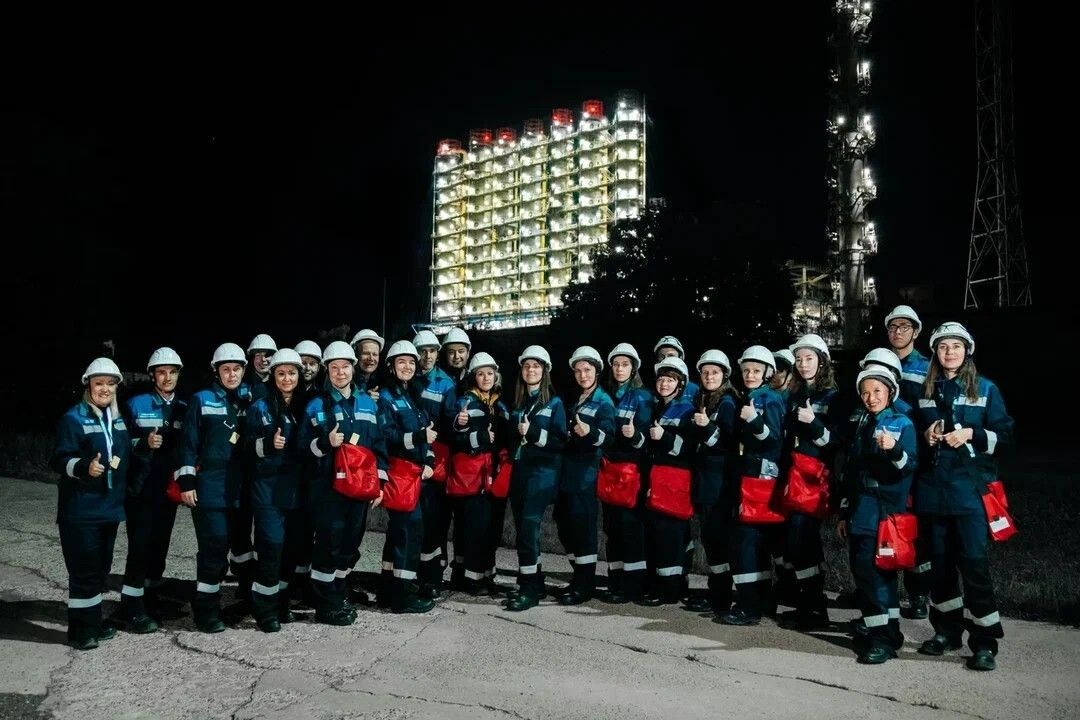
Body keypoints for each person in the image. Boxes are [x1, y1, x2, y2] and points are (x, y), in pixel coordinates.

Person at [916, 322, 1013, 671]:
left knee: (974, 565)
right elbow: (912, 434)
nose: (950, 352)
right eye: (943, 347)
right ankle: (946, 632)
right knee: (940, 567)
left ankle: (984, 642)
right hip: (933, 492)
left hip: (969, 493)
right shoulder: (926, 390)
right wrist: (925, 435)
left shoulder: (986, 388)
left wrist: (973, 433)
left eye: (956, 346)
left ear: (967, 351)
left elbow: (1006, 438)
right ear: (935, 352)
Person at [298, 341, 388, 625]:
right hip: (329, 489)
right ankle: (325, 605)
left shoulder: (368, 403)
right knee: (329, 544)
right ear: (327, 370)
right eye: (334, 367)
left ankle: (339, 593)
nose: (340, 373)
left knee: (351, 543)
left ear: (353, 368)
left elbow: (379, 444)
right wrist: (325, 442)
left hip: (360, 489)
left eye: (345, 367)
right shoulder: (316, 405)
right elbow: (301, 447)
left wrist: (379, 483)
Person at [836, 364, 916, 663]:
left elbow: (908, 466)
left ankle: (881, 640)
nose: (871, 398)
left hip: (882, 511)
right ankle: (888, 633)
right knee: (868, 573)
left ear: (891, 392)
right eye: (865, 392)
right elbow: (850, 472)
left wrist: (894, 449)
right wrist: (844, 512)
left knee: (874, 575)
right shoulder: (862, 424)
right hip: (860, 510)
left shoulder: (902, 424)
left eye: (877, 391)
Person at [51, 358, 131, 650]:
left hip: (109, 509)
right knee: (83, 571)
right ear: (88, 385)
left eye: (110, 384)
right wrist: (84, 467)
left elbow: (124, 454)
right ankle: (81, 632)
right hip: (80, 511)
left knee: (99, 570)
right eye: (99, 383)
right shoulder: (73, 418)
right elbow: (59, 459)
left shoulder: (117, 419)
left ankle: (93, 623)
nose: (105, 389)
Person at [176, 343, 252, 633]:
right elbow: (188, 443)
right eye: (226, 369)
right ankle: (206, 610)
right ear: (216, 371)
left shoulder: (248, 399)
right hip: (209, 487)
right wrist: (186, 482)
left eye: (236, 369)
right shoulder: (202, 400)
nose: (232, 374)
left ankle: (243, 597)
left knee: (241, 546)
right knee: (214, 547)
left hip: (239, 489)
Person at [113, 347, 187, 633]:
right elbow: (118, 443)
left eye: (172, 372)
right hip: (140, 489)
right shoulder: (135, 404)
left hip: (167, 490)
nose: (167, 377)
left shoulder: (184, 406)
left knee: (160, 546)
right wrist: (143, 443)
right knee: (140, 547)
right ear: (152, 375)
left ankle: (150, 597)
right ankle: (130, 607)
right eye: (161, 372)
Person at [719, 346, 786, 626]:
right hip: (749, 478)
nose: (750, 374)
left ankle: (749, 606)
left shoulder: (769, 399)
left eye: (756, 370)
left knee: (746, 543)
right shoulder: (751, 396)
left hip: (759, 481)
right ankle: (761, 600)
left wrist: (754, 420)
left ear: (768, 373)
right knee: (754, 543)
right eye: (746, 370)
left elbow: (773, 438)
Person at [778, 334, 838, 629]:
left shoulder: (833, 396)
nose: (803, 364)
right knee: (796, 542)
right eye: (799, 359)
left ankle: (815, 609)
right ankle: (807, 602)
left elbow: (834, 444)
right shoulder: (795, 393)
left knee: (803, 540)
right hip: (794, 476)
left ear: (822, 361)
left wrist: (814, 423)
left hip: (815, 479)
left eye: (809, 358)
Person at [245, 349, 307, 632]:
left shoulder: (307, 405)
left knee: (291, 549)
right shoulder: (259, 407)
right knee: (271, 546)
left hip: (296, 490)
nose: (287, 378)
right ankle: (264, 610)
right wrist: (268, 445)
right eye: (281, 373)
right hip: (267, 489)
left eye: (292, 373)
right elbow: (246, 447)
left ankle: (281, 603)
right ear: (273, 377)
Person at [377, 340, 437, 613]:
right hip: (399, 473)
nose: (408, 367)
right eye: (401, 362)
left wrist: (429, 459)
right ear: (391, 366)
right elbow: (387, 436)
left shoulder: (412, 395)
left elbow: (426, 432)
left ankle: (388, 588)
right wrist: (419, 437)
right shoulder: (386, 397)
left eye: (412, 362)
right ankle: (403, 596)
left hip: (413, 473)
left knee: (398, 531)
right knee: (408, 532)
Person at [504, 345, 566, 612]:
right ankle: (534, 580)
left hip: (542, 475)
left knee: (529, 530)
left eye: (536, 366)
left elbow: (560, 442)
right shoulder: (519, 402)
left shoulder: (554, 403)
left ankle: (529, 590)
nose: (531, 370)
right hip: (520, 473)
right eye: (527, 366)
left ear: (545, 371)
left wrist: (533, 434)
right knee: (522, 530)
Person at [884, 305, 932, 619]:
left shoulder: (926, 368)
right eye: (893, 327)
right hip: (882, 456)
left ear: (916, 331)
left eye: (905, 326)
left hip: (915, 458)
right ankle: (881, 591)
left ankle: (918, 594)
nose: (898, 332)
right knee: (884, 523)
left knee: (914, 526)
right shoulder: (879, 362)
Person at [556, 346, 615, 605]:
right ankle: (579, 575)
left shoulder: (603, 401)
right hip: (568, 473)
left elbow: (608, 437)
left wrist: (589, 432)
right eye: (578, 371)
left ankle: (585, 584)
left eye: (587, 370)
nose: (583, 375)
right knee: (565, 525)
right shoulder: (577, 398)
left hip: (586, 474)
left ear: (597, 371)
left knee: (583, 528)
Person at [447, 351, 508, 594]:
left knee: (484, 527)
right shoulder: (466, 402)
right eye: (480, 374)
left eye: (489, 373)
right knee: (473, 527)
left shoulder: (498, 403)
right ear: (473, 377)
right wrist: (478, 435)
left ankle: (479, 575)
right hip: (472, 477)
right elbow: (454, 438)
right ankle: (472, 580)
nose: (486, 378)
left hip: (489, 475)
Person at [684, 350, 739, 614]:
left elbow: (728, 443)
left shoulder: (727, 403)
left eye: (715, 372)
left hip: (719, 483)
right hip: (705, 480)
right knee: (710, 538)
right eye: (705, 372)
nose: (709, 377)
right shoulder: (704, 400)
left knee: (717, 539)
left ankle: (721, 596)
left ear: (724, 375)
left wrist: (707, 426)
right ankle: (717, 591)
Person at [598, 343, 654, 603]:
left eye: (625, 364)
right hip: (609, 469)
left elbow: (646, 441)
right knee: (612, 527)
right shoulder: (606, 394)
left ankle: (633, 585)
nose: (620, 369)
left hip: (632, 471)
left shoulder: (642, 397)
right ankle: (615, 581)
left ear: (634, 368)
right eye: (616, 364)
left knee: (630, 528)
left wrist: (634, 436)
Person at [639, 356, 697, 606]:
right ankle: (658, 584)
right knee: (656, 533)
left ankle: (670, 590)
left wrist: (664, 437)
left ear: (680, 384)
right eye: (661, 379)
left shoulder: (687, 410)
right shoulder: (657, 407)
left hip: (675, 481)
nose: (664, 384)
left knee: (670, 535)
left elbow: (688, 449)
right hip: (656, 479)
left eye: (670, 380)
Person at [410, 329, 456, 596]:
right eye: (422, 351)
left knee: (434, 520)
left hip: (434, 460)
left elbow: (449, 426)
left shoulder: (445, 384)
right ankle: (409, 572)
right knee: (410, 518)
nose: (427, 356)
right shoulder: (406, 378)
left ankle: (432, 576)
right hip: (409, 456)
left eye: (432, 351)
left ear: (438, 354)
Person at [654, 335, 699, 401]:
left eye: (671, 355)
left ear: (680, 358)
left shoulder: (694, 390)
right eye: (662, 356)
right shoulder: (651, 388)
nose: (666, 359)